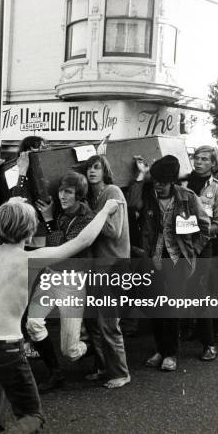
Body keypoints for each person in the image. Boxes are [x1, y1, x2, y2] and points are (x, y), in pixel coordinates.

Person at [0, 197, 121, 433]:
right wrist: (106, 210)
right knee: (32, 416)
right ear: (29, 232)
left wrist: (8, 202)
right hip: (5, 350)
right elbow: (82, 240)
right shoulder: (31, 259)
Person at [127, 155, 210, 372]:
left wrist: (194, 250)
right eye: (155, 181)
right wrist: (141, 175)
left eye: (163, 182)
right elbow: (132, 204)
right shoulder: (147, 195)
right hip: (153, 259)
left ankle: (170, 353)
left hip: (178, 259)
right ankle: (161, 349)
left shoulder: (187, 197)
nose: (159, 186)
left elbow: (205, 226)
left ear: (172, 181)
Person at [26, 171, 95, 393]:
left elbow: (63, 249)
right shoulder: (62, 214)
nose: (62, 196)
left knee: (71, 351)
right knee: (33, 323)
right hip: (50, 276)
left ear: (80, 195)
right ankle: (55, 373)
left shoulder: (86, 219)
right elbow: (51, 242)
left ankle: (91, 345)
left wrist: (47, 220)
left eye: (69, 192)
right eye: (61, 190)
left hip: (71, 282)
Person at [84, 155, 131, 388]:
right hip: (96, 266)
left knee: (109, 322)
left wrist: (90, 214)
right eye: (89, 168)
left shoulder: (112, 192)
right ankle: (104, 367)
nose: (92, 171)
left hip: (112, 265)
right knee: (93, 322)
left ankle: (121, 372)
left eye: (96, 167)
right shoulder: (91, 197)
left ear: (105, 170)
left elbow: (114, 231)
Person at [182, 146, 218, 361]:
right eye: (196, 158)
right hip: (177, 246)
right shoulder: (180, 182)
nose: (198, 162)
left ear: (213, 163)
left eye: (204, 159)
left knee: (199, 295)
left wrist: (195, 229)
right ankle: (168, 348)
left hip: (202, 247)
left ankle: (209, 344)